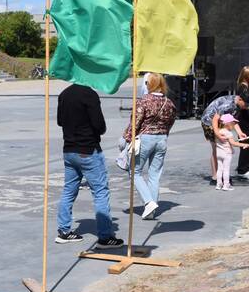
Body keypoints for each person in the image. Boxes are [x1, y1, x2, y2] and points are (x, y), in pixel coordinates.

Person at [55, 82, 122, 247]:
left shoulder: (64, 94)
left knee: (69, 190)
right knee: (100, 191)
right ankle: (105, 236)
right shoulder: (89, 95)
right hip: (87, 149)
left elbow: (59, 121)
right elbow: (99, 125)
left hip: (69, 149)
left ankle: (64, 231)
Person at [122, 73, 176, 219]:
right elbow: (172, 120)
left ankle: (148, 202)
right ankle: (151, 211)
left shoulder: (144, 101)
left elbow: (136, 122)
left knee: (135, 171)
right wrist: (164, 133)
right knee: (154, 175)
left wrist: (127, 138)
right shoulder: (169, 102)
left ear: (149, 85)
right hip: (162, 139)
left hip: (145, 139)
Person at [200, 94, 247, 184]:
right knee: (216, 148)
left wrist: (239, 132)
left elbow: (232, 120)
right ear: (240, 99)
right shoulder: (228, 104)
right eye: (245, 104)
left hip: (220, 122)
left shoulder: (236, 105)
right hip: (209, 122)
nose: (245, 106)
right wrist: (217, 134)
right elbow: (215, 119)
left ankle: (221, 175)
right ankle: (215, 177)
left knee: (221, 148)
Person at [214, 114, 249, 191]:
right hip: (227, 153)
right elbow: (233, 143)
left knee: (219, 169)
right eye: (233, 123)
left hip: (219, 153)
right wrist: (244, 144)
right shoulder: (229, 133)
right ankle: (226, 185)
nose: (233, 125)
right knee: (226, 169)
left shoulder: (218, 132)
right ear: (228, 124)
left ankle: (218, 184)